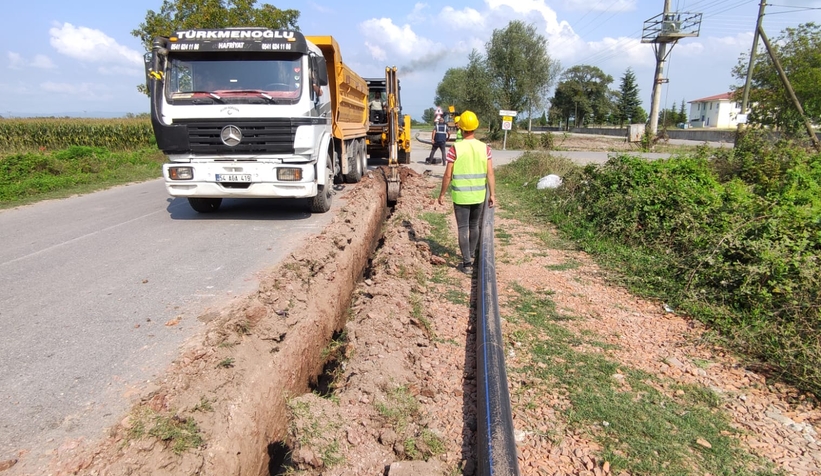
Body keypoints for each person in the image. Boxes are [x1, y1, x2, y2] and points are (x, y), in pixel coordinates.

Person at [437, 110, 496, 275]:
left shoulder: (455, 149)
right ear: (475, 127)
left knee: (463, 227)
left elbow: (448, 174)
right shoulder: (485, 148)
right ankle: (471, 255)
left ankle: (467, 263)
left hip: (461, 196)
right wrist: (492, 194)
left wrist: (442, 194)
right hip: (478, 195)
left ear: (461, 128)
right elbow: (490, 173)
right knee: (474, 226)